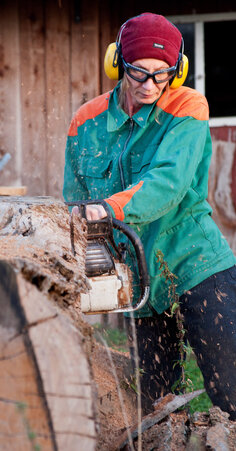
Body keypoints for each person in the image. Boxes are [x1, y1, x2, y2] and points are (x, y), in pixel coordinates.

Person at [63, 12, 236, 419]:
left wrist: (107, 208)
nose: (151, 86)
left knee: (230, 389)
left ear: (178, 72)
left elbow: (167, 184)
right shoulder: (85, 121)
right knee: (155, 404)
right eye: (140, 73)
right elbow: (74, 199)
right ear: (118, 64)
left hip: (195, 262)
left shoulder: (188, 107)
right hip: (139, 280)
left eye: (163, 75)